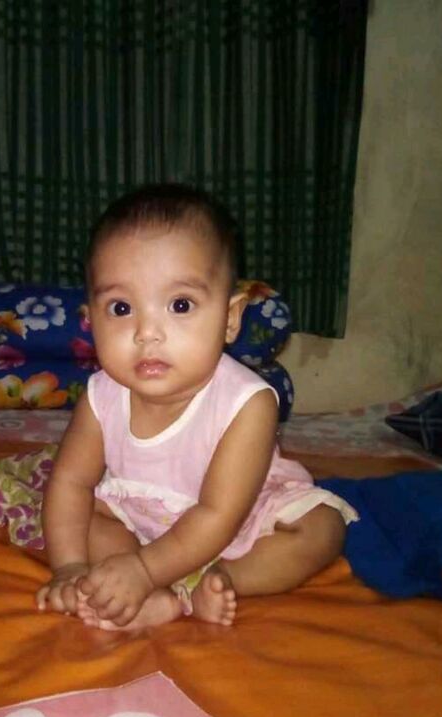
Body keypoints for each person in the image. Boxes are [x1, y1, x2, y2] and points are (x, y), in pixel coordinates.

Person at [36, 184, 357, 630]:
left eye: (180, 305)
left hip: (237, 518)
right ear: (91, 320)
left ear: (230, 319)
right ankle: (140, 594)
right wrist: (69, 567)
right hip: (145, 517)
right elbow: (71, 482)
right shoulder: (101, 397)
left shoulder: (249, 403)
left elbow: (218, 514)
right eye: (121, 308)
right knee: (88, 516)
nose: (147, 332)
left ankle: (220, 581)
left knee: (322, 528)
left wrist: (145, 568)